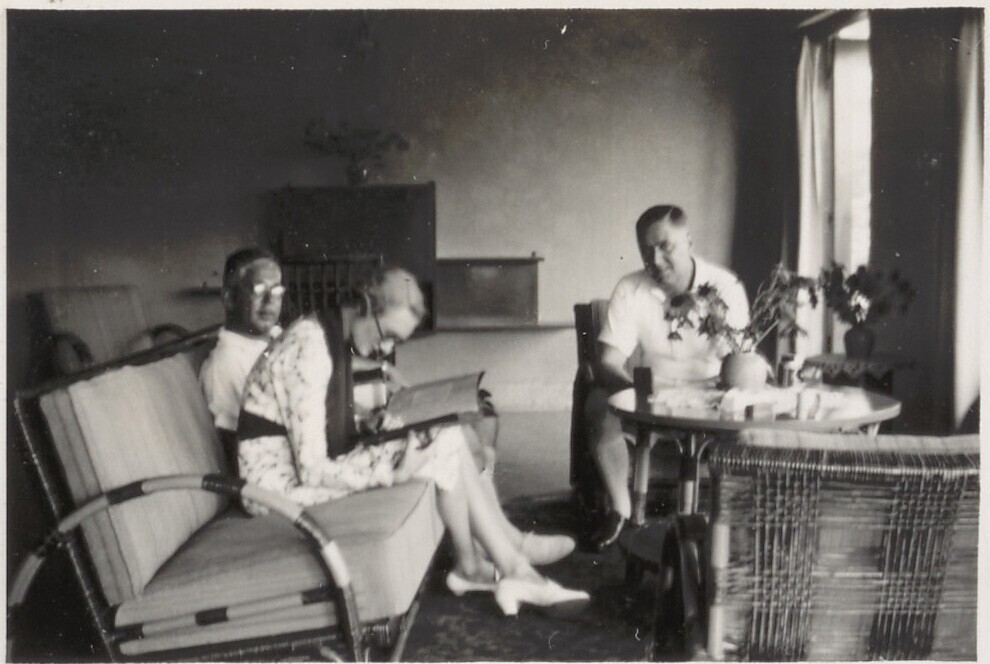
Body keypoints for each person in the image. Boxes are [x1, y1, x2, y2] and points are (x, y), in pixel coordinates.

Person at [237, 266, 587, 614]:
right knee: (441, 441)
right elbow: (312, 470)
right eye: (387, 334)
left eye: (397, 341)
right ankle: (508, 568)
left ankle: (480, 565)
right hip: (276, 494)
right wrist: (394, 474)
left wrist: (371, 425)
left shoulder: (326, 334)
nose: (387, 348)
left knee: (443, 432)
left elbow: (313, 424)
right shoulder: (309, 348)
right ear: (363, 306)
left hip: (296, 474)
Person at [586, 205, 749, 550]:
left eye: (665, 247)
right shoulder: (630, 288)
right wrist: (634, 394)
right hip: (651, 395)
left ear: (689, 241)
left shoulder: (726, 286)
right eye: (646, 251)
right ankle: (620, 510)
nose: (655, 260)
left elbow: (741, 361)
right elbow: (608, 361)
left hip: (713, 397)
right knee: (598, 404)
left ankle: (730, 520)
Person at [199, 247, 285, 468]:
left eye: (276, 291)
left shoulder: (277, 338)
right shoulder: (226, 362)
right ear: (229, 299)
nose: (270, 301)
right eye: (259, 290)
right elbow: (242, 456)